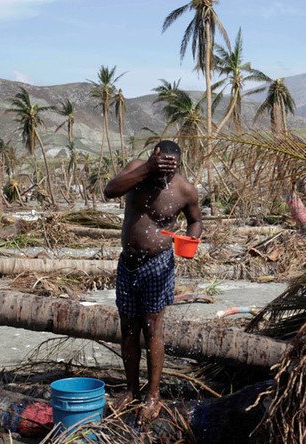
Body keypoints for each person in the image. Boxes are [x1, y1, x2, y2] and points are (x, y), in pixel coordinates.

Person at [103, 140, 202, 423]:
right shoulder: (137, 171)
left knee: (153, 328)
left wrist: (192, 238)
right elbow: (110, 191)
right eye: (160, 168)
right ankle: (132, 389)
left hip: (158, 263)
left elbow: (195, 220)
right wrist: (148, 168)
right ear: (153, 158)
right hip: (129, 261)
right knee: (128, 328)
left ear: (178, 166)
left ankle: (154, 394)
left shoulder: (184, 189)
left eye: (169, 171)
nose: (163, 176)